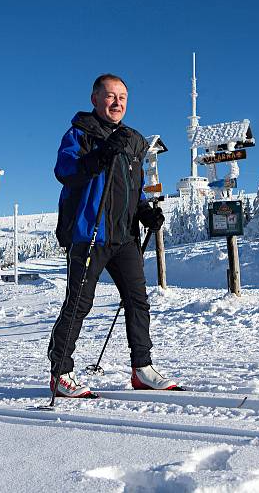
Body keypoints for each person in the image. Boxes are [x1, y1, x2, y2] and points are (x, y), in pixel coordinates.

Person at [48, 73, 178, 398]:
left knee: (138, 302)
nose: (117, 102)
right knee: (78, 303)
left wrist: (145, 210)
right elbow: (66, 172)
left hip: (124, 239)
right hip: (88, 233)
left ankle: (142, 369)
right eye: (110, 96)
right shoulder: (80, 133)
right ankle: (60, 372)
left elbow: (132, 189)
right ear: (95, 99)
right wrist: (102, 154)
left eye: (122, 97)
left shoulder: (134, 140)